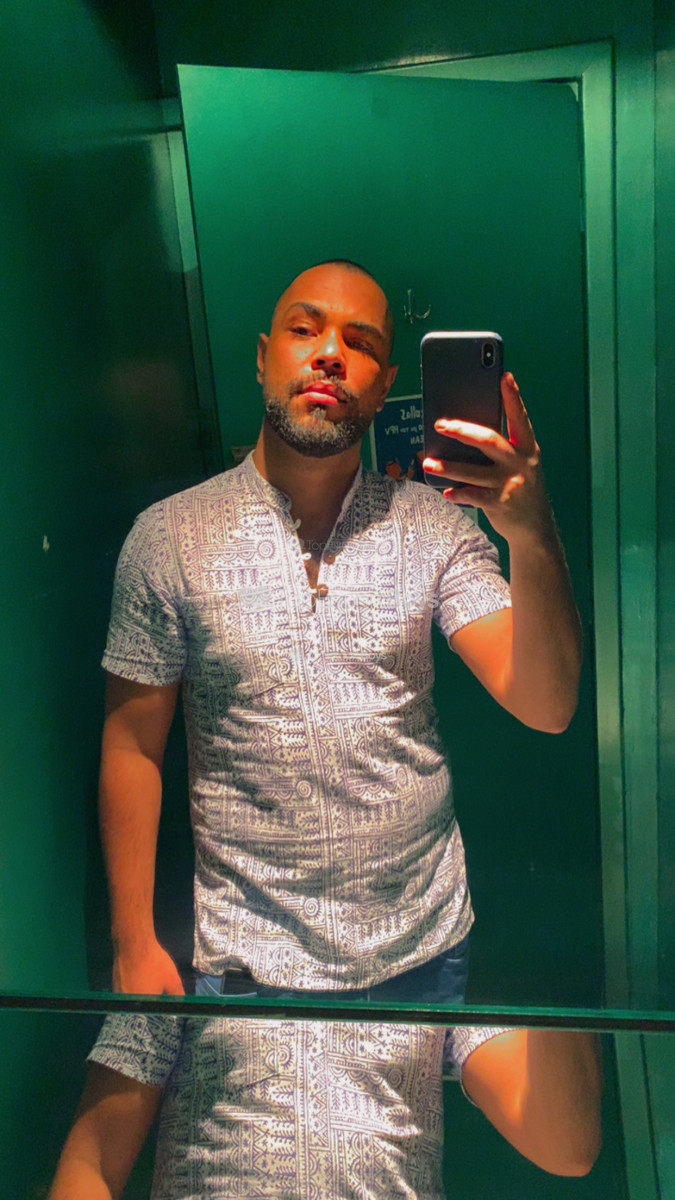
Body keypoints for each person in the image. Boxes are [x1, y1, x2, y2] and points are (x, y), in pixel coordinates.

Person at [99, 259, 582, 999]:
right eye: (305, 330)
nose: (329, 353)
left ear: (385, 385)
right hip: (248, 963)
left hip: (422, 949)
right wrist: (132, 942)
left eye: (359, 342)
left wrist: (530, 531)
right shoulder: (167, 537)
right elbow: (132, 746)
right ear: (264, 357)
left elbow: (546, 705)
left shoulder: (434, 527)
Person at [48, 1016, 602, 1199]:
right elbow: (90, 1166)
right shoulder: (185, 951)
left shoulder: (436, 969)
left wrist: (545, 948)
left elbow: (568, 1148)